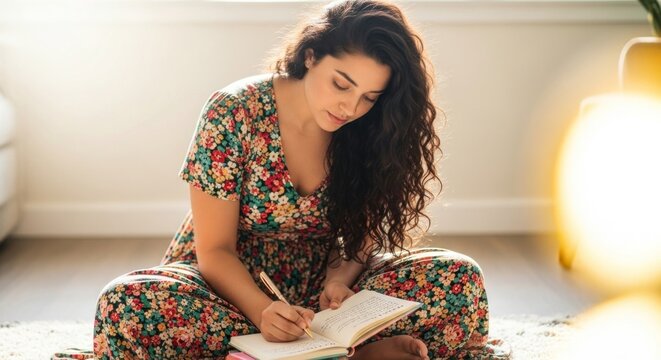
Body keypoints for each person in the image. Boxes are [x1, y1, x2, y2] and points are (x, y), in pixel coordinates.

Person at [53, 0, 510, 359]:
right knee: (127, 306)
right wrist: (262, 311)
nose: (350, 107)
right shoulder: (232, 112)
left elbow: (363, 232)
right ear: (310, 56)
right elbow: (213, 252)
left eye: (369, 96)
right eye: (341, 84)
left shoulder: (371, 126)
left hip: (330, 301)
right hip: (232, 291)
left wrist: (340, 278)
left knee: (459, 279)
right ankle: (342, 356)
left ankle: (310, 350)